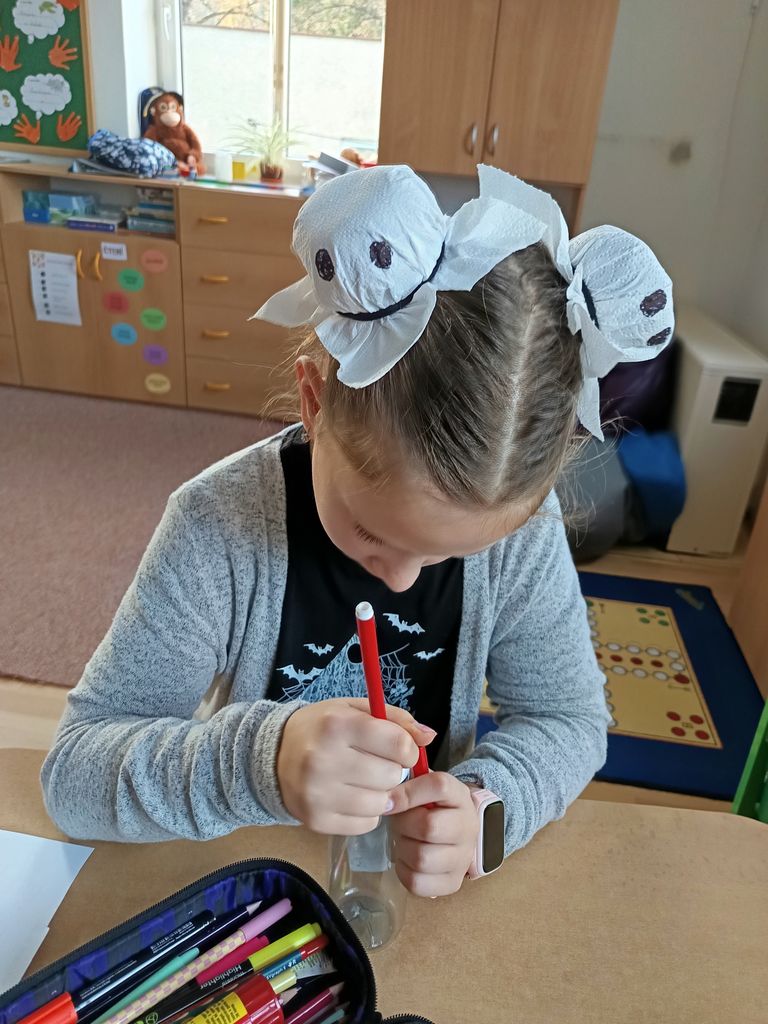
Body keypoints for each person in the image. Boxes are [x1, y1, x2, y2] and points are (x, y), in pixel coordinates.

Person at [42, 164, 674, 897]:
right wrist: (262, 762)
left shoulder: (523, 540)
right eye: (372, 534)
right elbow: (72, 778)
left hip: (414, 897)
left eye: (451, 555)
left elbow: (569, 722)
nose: (400, 578)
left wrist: (487, 820)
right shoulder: (216, 526)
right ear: (314, 404)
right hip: (252, 885)